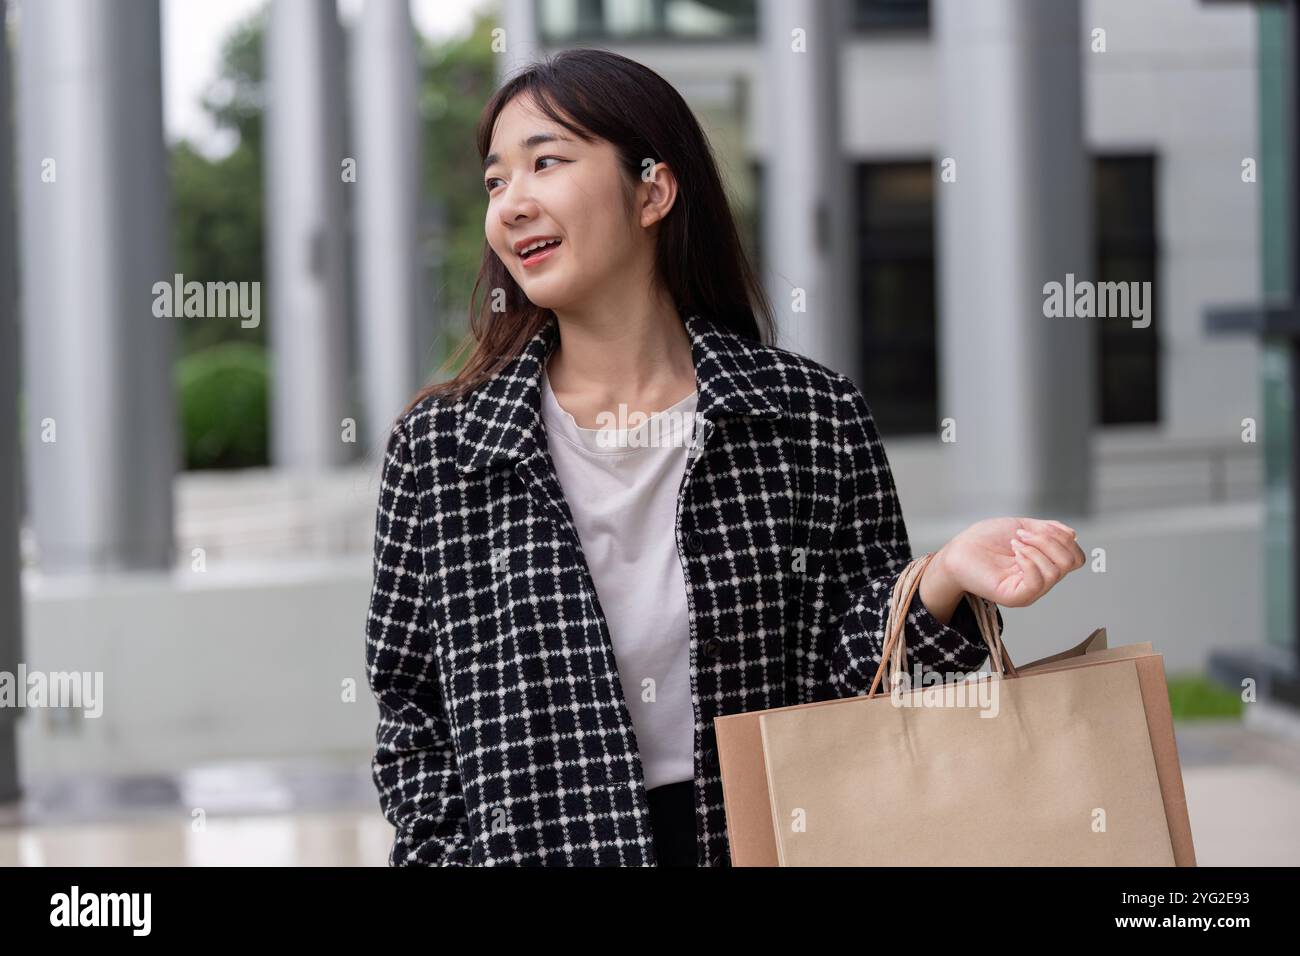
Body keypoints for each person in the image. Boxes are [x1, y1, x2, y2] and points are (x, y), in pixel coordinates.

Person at [365, 48, 1085, 867]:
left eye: (546, 163)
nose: (512, 205)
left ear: (653, 190)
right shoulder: (444, 449)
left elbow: (859, 687)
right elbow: (412, 708)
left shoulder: (806, 415)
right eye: (496, 181)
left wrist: (945, 577)